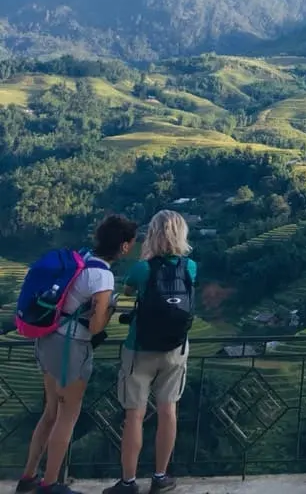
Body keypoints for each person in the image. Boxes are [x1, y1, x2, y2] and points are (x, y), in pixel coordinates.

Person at [18, 215, 138, 494]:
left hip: (48, 338)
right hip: (71, 347)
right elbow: (96, 326)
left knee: (49, 412)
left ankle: (28, 478)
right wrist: (110, 309)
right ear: (124, 246)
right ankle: (50, 485)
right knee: (67, 415)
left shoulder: (81, 259)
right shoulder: (103, 275)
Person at [103, 210, 198, 494]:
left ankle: (129, 482)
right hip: (176, 349)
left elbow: (129, 293)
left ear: (153, 235)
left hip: (140, 348)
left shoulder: (142, 269)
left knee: (134, 415)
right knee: (168, 411)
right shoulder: (191, 267)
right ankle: (160, 477)